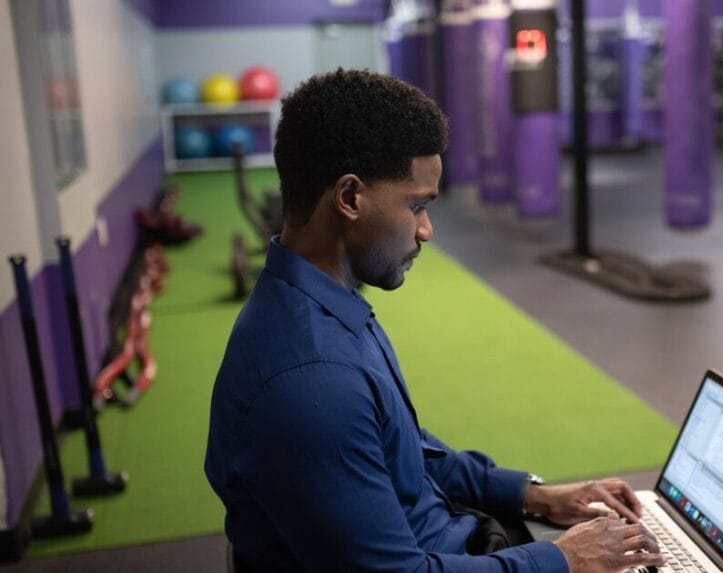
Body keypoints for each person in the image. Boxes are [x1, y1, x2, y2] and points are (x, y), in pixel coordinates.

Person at [205, 68, 665, 572]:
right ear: (350, 198)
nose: (426, 230)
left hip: (460, 539)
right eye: (417, 205)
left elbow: (403, 455)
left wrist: (533, 495)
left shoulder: (323, 302)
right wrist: (562, 560)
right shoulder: (312, 379)